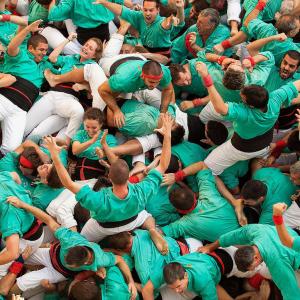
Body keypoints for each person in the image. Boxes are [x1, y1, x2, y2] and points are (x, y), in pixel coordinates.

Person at [42, 114, 172, 250]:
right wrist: (167, 135)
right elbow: (163, 165)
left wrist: (55, 155)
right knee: (147, 216)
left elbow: (68, 183)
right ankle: (152, 230)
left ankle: (85, 247)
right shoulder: (142, 190)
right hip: (132, 220)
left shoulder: (100, 199)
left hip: (104, 228)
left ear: (109, 175)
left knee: (83, 240)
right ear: (128, 175)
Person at [5, 195, 137, 298]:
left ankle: (5, 295)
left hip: (58, 272)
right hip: (50, 253)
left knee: (25, 281)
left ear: (86, 263)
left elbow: (119, 260)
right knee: (17, 254)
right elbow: (48, 220)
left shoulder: (100, 258)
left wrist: (130, 281)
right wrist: (23, 204)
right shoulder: (71, 239)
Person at [195, 61, 300, 176]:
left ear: (250, 106)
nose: (240, 93)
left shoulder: (244, 112)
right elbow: (297, 84)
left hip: (241, 149)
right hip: (265, 146)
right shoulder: (276, 97)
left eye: (242, 98)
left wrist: (206, 78)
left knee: (207, 167)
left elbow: (220, 108)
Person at [25, 34, 104, 145]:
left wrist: (83, 85)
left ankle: (66, 142)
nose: (86, 48)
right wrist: (67, 40)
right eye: (86, 45)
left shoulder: (93, 66)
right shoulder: (72, 58)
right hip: (52, 95)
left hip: (69, 98)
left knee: (78, 111)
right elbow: (52, 58)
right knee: (26, 127)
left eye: (90, 48)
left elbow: (94, 91)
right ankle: (13, 151)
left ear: (94, 55)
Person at [199, 224, 300, 300]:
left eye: (253, 267)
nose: (256, 268)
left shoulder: (277, 264)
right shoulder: (255, 231)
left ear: (255, 258)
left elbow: (291, 293)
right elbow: (232, 236)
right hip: (293, 233)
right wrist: (210, 246)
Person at [0, 20, 54, 155]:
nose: (44, 53)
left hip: (20, 111)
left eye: (46, 50)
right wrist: (28, 29)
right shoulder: (22, 56)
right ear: (30, 49)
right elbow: (12, 47)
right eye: (41, 49)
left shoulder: (45, 65)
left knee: (11, 149)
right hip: (5, 99)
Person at [94, 0, 185, 55]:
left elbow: (168, 23)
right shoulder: (139, 16)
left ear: (158, 10)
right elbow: (122, 10)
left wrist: (180, 9)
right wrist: (104, 2)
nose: (147, 13)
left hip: (161, 61)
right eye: (145, 10)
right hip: (144, 55)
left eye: (151, 10)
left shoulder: (162, 22)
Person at [71, 107, 117, 180]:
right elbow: (75, 150)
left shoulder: (108, 138)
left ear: (101, 124)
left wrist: (104, 146)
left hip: (96, 176)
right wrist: (91, 141)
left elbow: (115, 161)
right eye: (87, 127)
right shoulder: (80, 134)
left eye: (94, 127)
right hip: (77, 175)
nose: (90, 130)